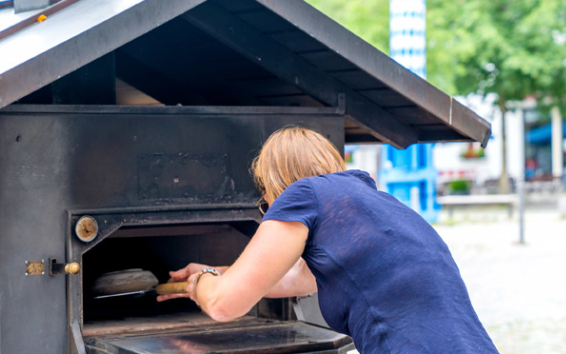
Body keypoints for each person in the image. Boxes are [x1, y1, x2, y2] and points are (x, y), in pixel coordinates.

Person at [160, 127, 499, 353]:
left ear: (276, 181)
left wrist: (200, 285)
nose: (267, 202)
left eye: (265, 194)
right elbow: (295, 277)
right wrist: (215, 270)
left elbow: (223, 304)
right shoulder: (377, 206)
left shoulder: (303, 193)